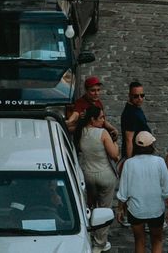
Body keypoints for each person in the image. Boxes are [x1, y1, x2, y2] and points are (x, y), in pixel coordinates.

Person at [117, 131, 168, 253]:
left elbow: (123, 192)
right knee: (157, 240)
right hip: (156, 209)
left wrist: (120, 209)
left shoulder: (129, 163)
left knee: (139, 240)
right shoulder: (159, 162)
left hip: (136, 210)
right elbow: (167, 189)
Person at [76, 105, 121, 251]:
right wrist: (115, 143)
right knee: (104, 209)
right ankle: (100, 242)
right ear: (92, 119)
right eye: (101, 118)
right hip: (105, 175)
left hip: (88, 175)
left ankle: (88, 235)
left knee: (90, 206)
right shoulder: (102, 133)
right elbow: (114, 155)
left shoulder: (81, 132)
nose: (103, 120)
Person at [120, 81, 151, 158]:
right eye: (136, 96)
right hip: (136, 155)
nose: (140, 98)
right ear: (130, 95)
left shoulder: (135, 108)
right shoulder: (130, 114)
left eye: (142, 95)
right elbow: (128, 140)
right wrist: (129, 161)